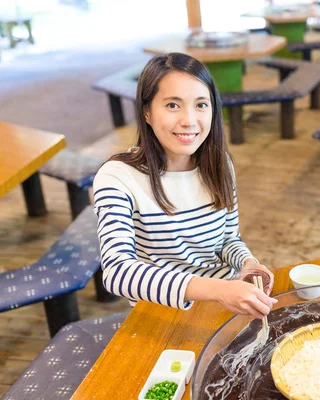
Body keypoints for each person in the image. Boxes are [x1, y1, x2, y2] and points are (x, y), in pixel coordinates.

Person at [93, 52, 277, 319]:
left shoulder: (220, 164)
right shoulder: (117, 177)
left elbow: (227, 239)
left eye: (201, 105)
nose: (189, 120)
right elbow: (117, 272)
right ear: (146, 112)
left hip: (224, 302)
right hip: (163, 312)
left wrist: (247, 263)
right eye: (172, 105)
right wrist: (219, 290)